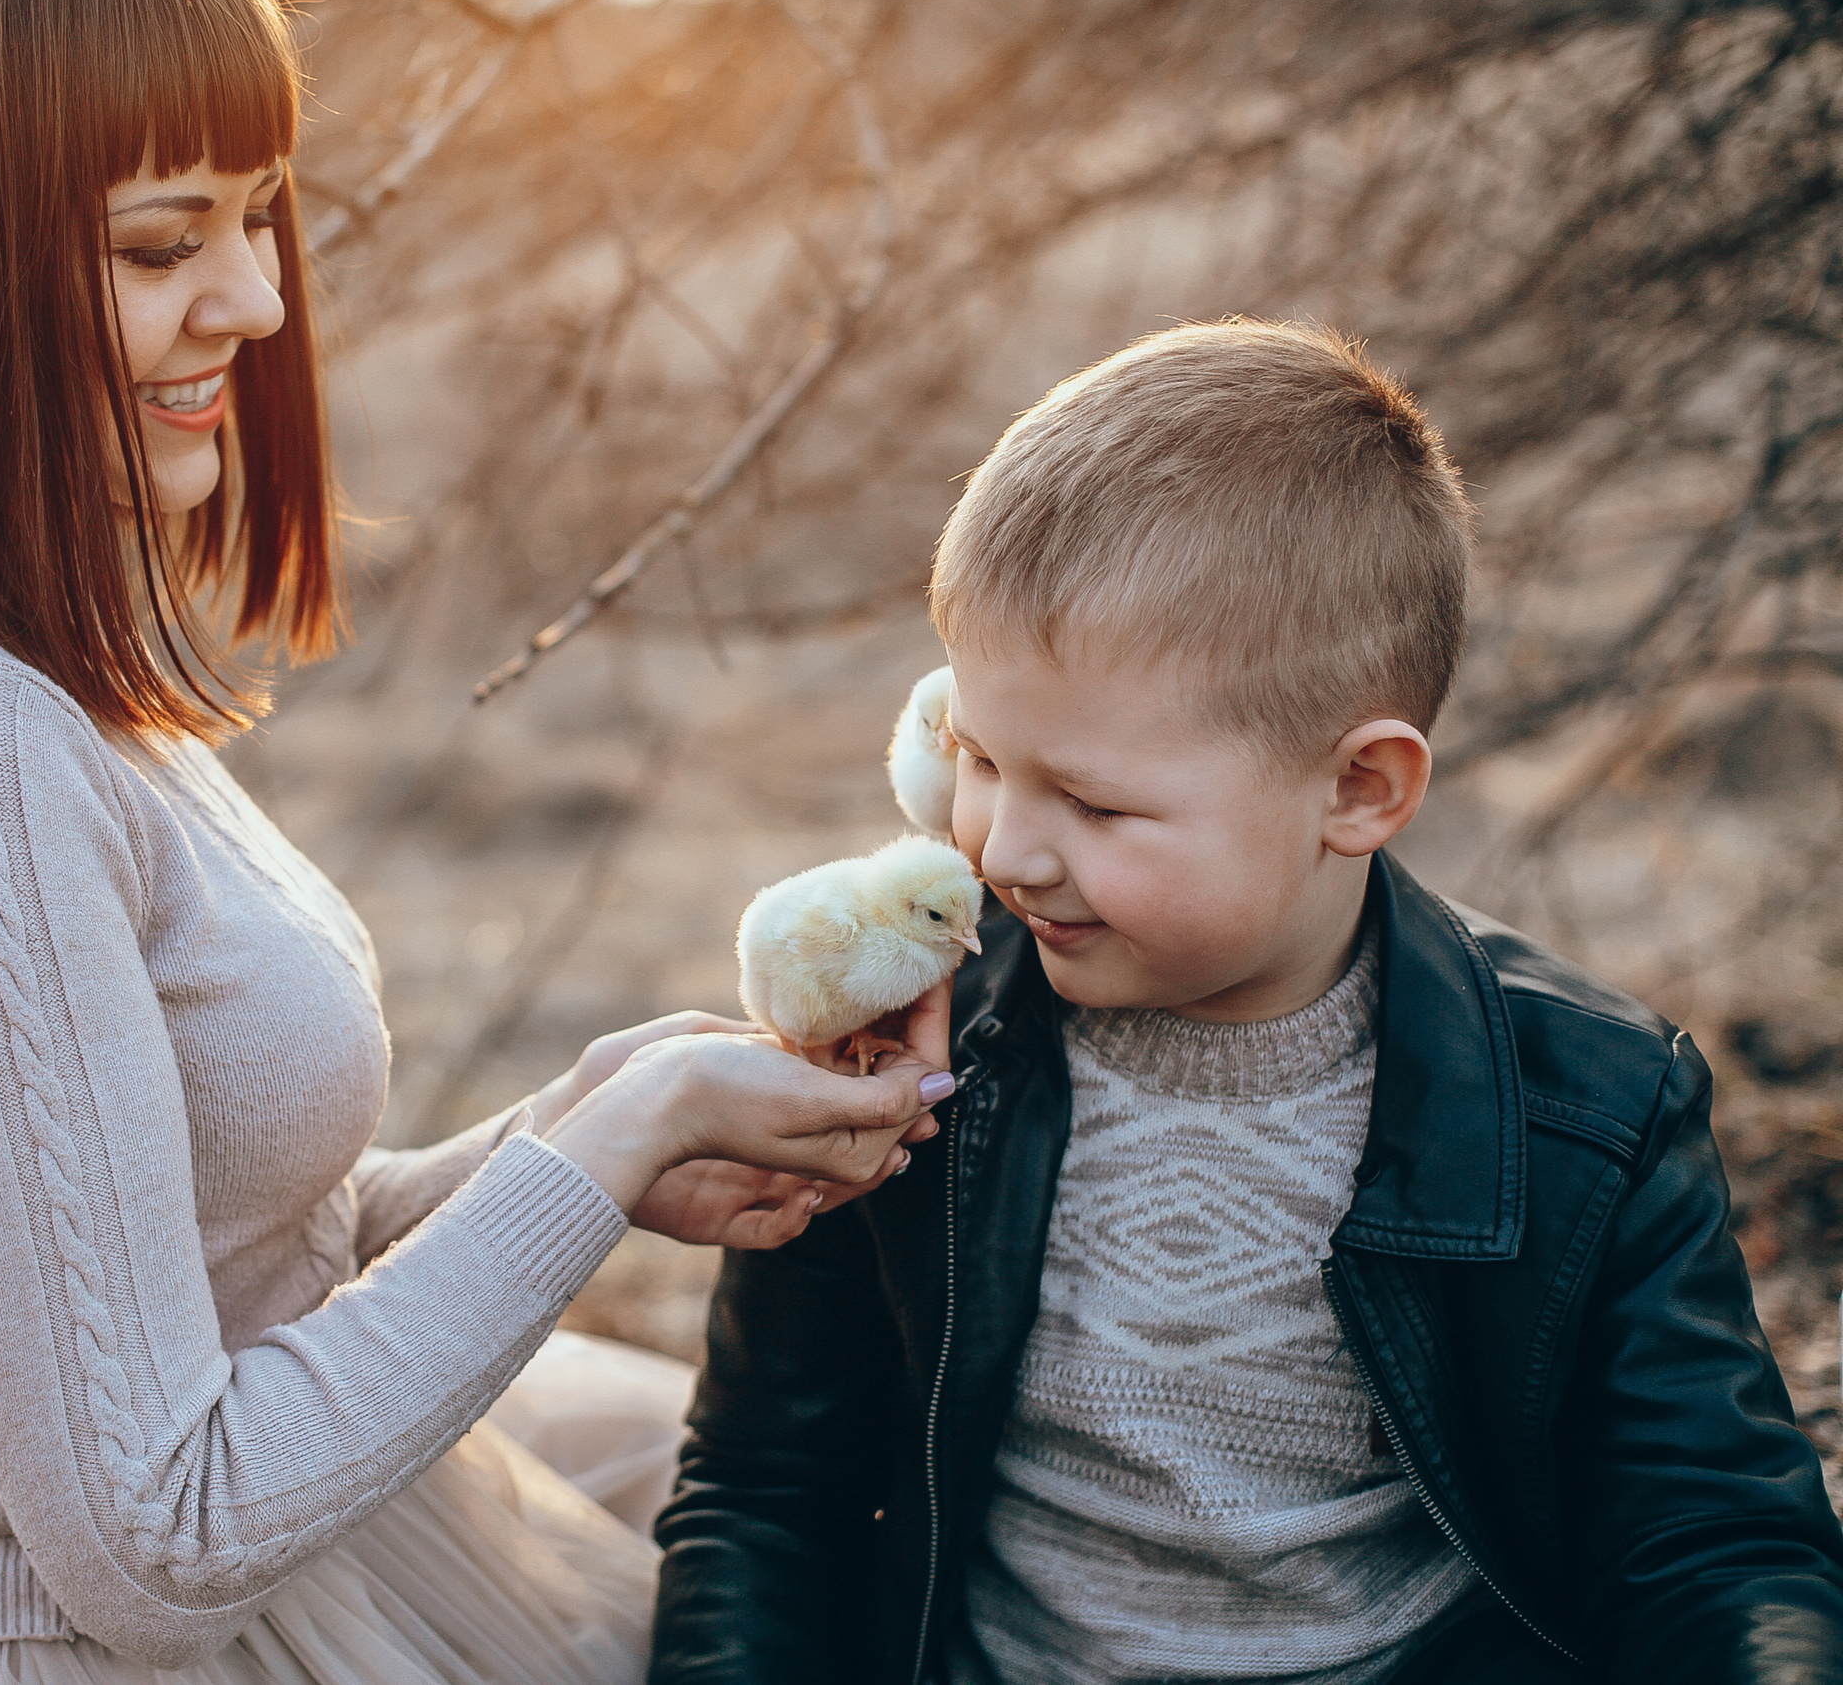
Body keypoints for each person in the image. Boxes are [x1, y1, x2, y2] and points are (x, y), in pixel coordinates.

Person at [0, 0, 956, 1680]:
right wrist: (605, 1150)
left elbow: (216, 1262)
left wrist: (586, 1132)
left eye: (257, 217)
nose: (258, 298)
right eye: (160, 247)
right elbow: (158, 1533)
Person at [648, 320, 1843, 1685]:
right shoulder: (897, 1059)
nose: (1006, 851)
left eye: (1094, 802)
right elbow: (763, 1495)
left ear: (1358, 790)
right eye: (976, 756)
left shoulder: (1587, 1111)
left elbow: (1712, 1540)